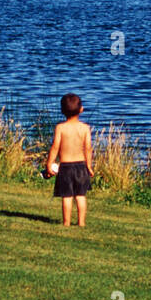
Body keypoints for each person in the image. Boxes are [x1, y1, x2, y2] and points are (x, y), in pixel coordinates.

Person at [46, 93, 93, 227]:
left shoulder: (60, 128)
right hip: (81, 166)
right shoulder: (85, 128)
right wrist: (89, 166)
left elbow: (55, 147)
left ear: (62, 111)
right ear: (81, 109)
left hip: (66, 166)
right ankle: (81, 223)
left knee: (66, 196)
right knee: (80, 196)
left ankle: (66, 223)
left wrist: (49, 163)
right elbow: (88, 148)